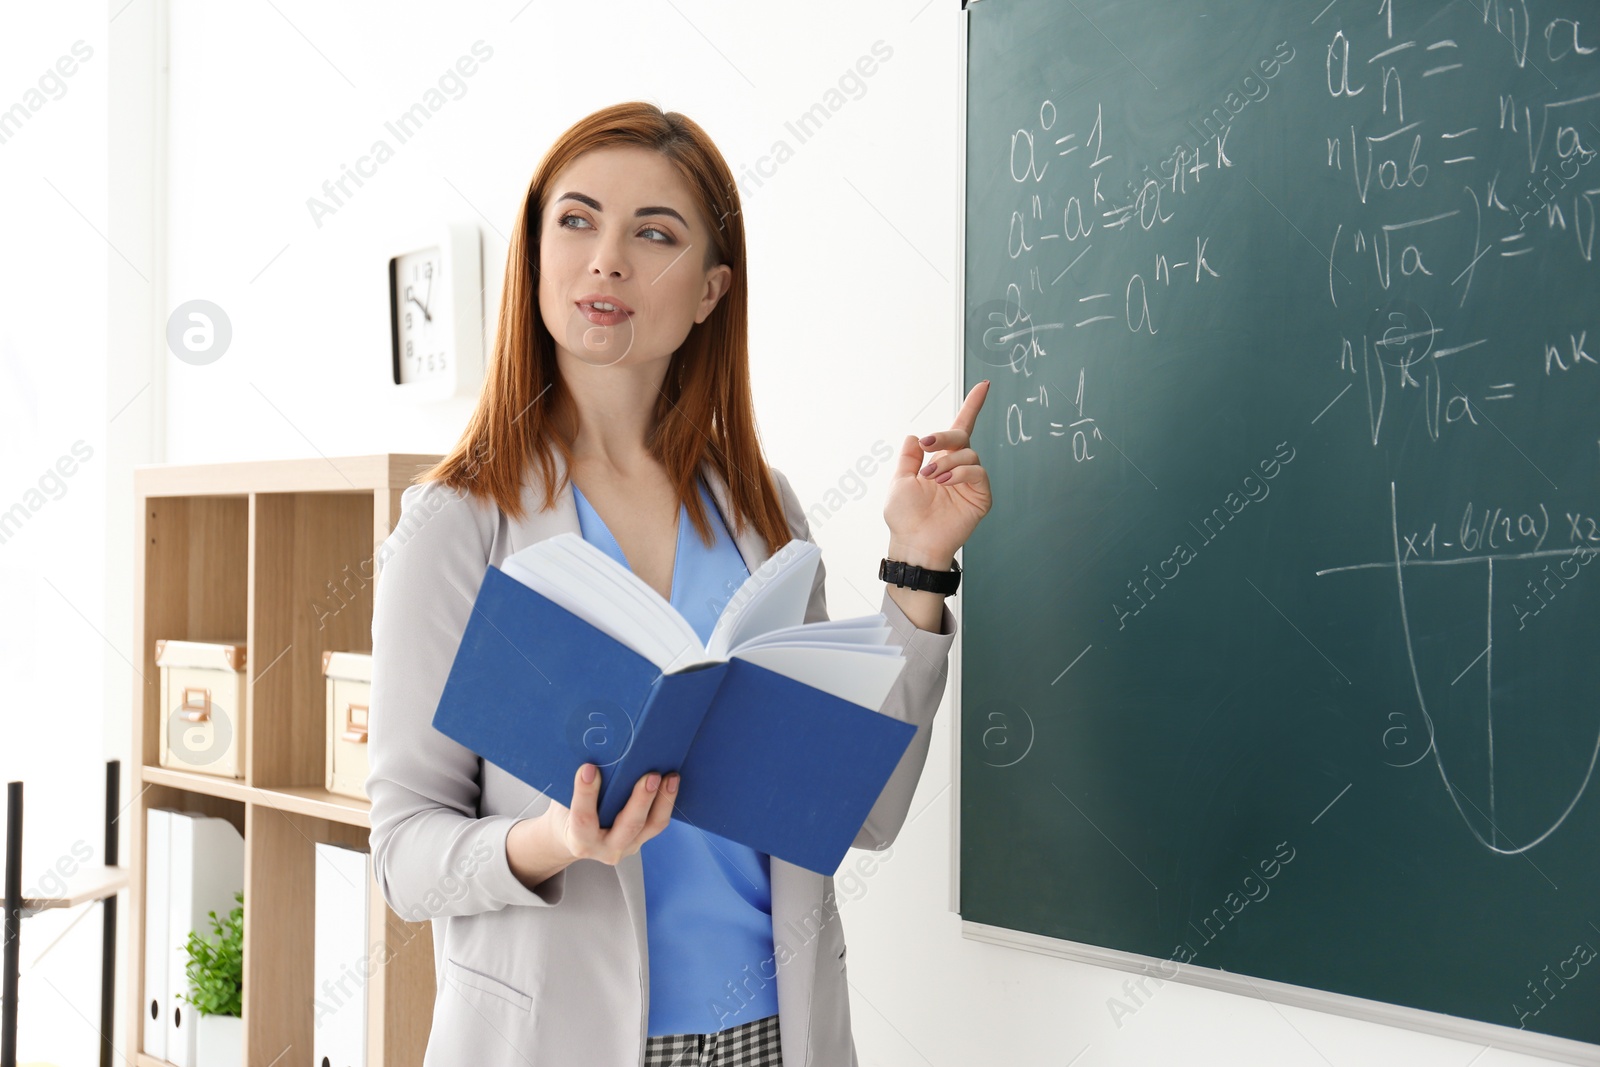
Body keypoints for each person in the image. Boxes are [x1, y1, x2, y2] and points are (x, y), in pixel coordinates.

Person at [364, 100, 992, 1067]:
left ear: (709, 291)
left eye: (654, 233)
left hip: (775, 1037)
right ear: (534, 255)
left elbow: (859, 810)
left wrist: (919, 567)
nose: (606, 258)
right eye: (576, 220)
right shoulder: (459, 522)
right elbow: (405, 855)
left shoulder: (761, 510)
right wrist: (551, 841)